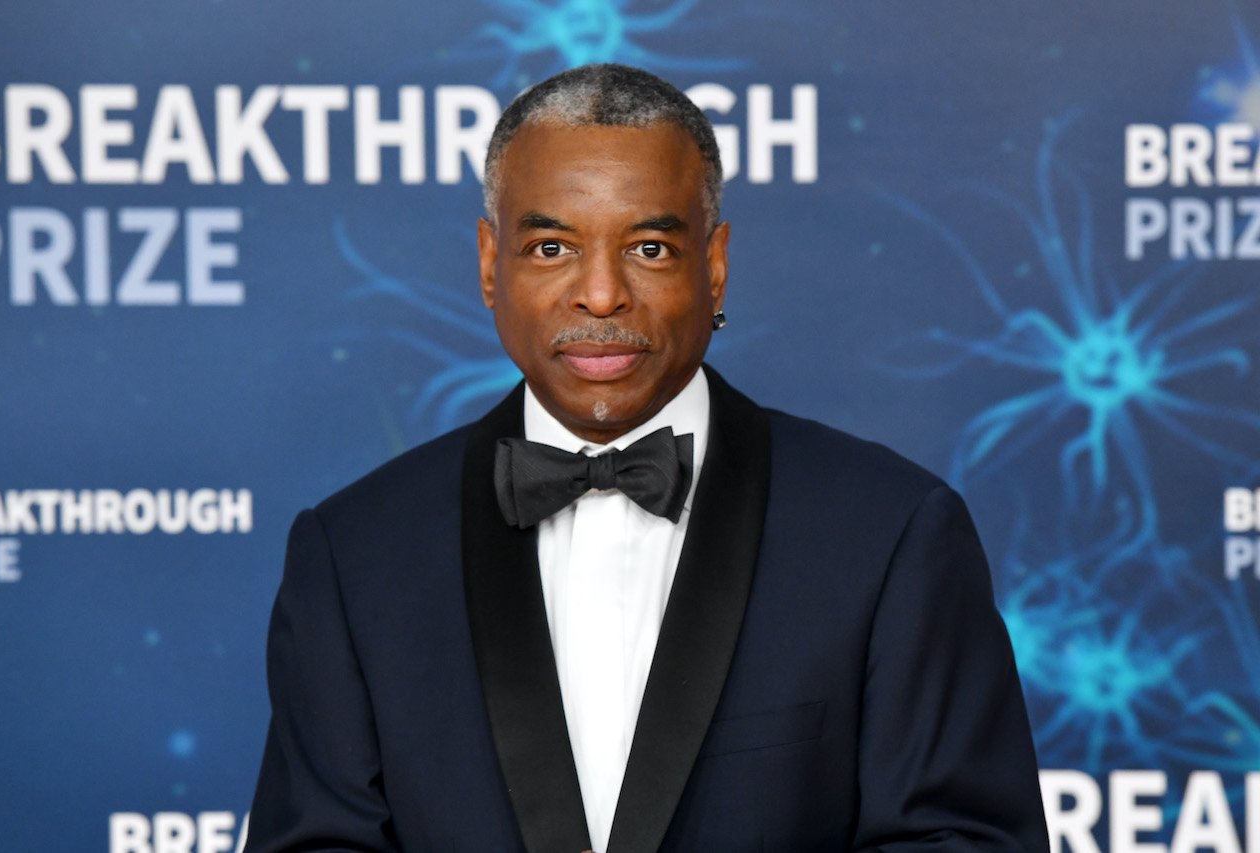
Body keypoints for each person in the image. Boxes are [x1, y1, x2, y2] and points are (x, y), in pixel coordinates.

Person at [244, 63, 1049, 853]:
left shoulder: (889, 535)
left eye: (651, 250)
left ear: (717, 265)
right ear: (492, 265)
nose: (600, 294)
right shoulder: (355, 554)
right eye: (553, 247)